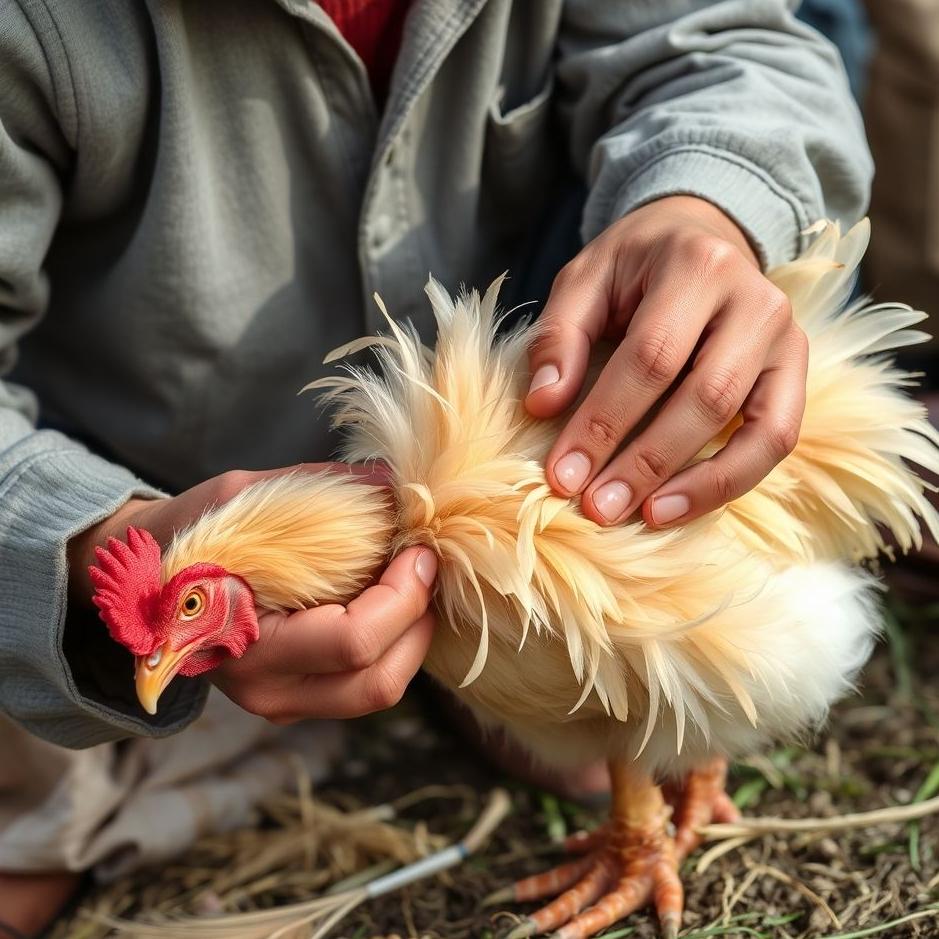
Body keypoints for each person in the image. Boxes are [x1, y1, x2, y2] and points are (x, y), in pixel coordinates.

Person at [0, 0, 869, 933]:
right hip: (135, 454)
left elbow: (732, 39)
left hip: (565, 369)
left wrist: (707, 203)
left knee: (616, 699)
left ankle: (635, 780)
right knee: (36, 797)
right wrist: (83, 537)